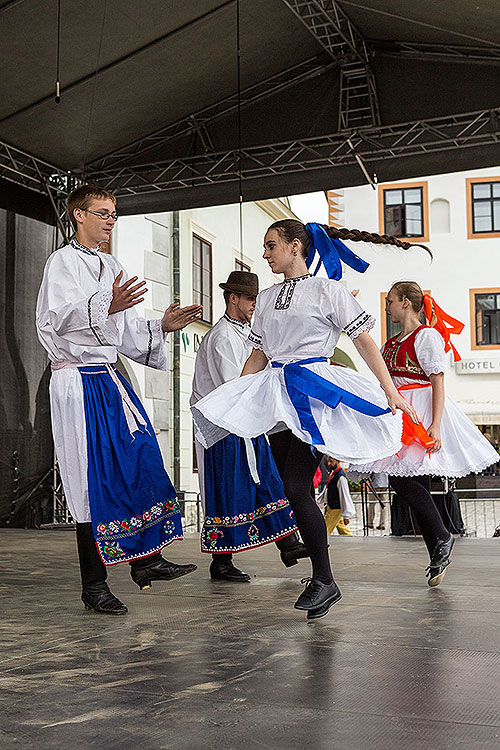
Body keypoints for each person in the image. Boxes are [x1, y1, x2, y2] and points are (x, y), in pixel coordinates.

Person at [192, 220, 420, 620]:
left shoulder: (327, 290)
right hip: (277, 395)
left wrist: (390, 390)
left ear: (296, 246)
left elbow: (363, 340)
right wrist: (239, 396)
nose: (265, 254)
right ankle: (321, 576)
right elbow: (259, 353)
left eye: (271, 246)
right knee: (289, 487)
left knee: (296, 487)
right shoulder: (265, 298)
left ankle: (325, 579)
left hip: (312, 393)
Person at [36, 184, 202, 615]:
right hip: (78, 380)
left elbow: (125, 332)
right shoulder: (61, 263)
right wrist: (104, 305)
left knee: (143, 456)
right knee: (91, 481)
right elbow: (55, 320)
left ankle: (146, 561)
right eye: (103, 212)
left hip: (111, 380)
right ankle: (94, 585)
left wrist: (160, 326)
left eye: (114, 213)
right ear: (78, 215)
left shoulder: (112, 265)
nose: (111, 220)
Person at [349, 281, 499, 585]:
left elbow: (438, 381)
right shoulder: (391, 343)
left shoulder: (426, 336)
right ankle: (439, 548)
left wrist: (436, 424)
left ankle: (442, 538)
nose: (387, 306)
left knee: (404, 480)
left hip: (419, 413)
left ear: (405, 302)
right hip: (399, 413)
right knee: (406, 481)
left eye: (390, 300)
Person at [190, 270, 308, 582]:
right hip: (223, 426)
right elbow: (234, 386)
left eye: (256, 298)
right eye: (250, 298)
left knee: (266, 481)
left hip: (243, 421)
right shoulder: (222, 338)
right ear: (233, 298)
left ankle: (288, 544)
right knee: (226, 490)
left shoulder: (244, 333)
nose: (255, 304)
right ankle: (221, 561)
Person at [321, 458, 355, 536]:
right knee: (344, 530)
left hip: (335, 509)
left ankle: (319, 546)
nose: (329, 463)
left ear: (338, 461)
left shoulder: (340, 477)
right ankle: (351, 542)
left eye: (331, 462)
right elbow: (326, 490)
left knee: (324, 531)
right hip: (334, 507)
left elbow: (344, 496)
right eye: (328, 461)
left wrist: (346, 515)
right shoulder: (334, 474)